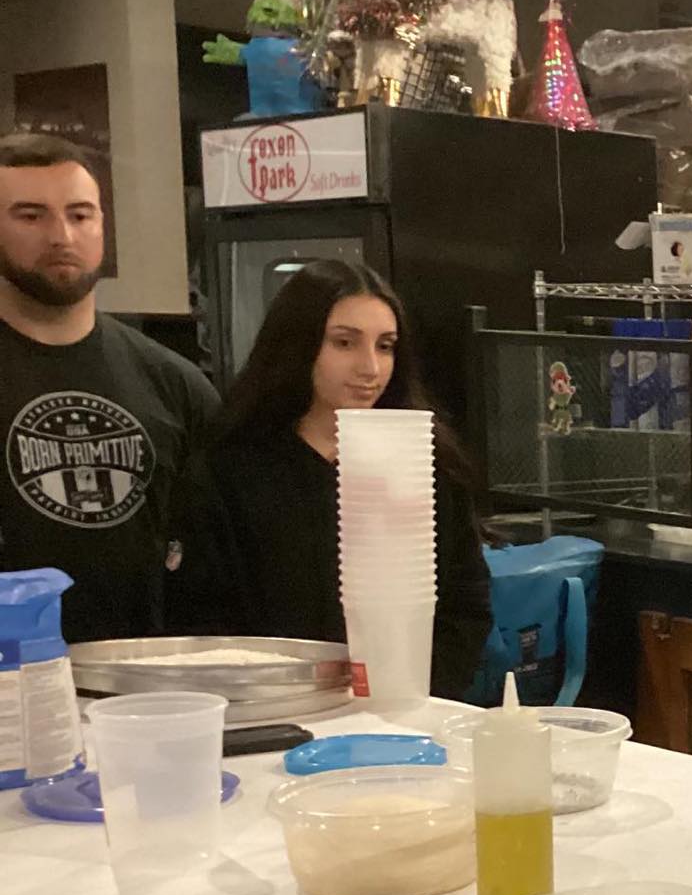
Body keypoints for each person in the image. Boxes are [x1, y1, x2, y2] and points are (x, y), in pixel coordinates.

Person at [165, 259, 491, 698]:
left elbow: (464, 603)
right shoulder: (230, 471)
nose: (370, 368)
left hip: (405, 713)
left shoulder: (421, 464)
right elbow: (203, 621)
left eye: (386, 346)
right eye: (344, 343)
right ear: (298, 345)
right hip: (275, 717)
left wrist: (413, 698)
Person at [0, 131, 219, 642]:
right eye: (30, 216)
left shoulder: (173, 385)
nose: (61, 236)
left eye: (80, 215)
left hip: (140, 691)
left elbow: (222, 557)